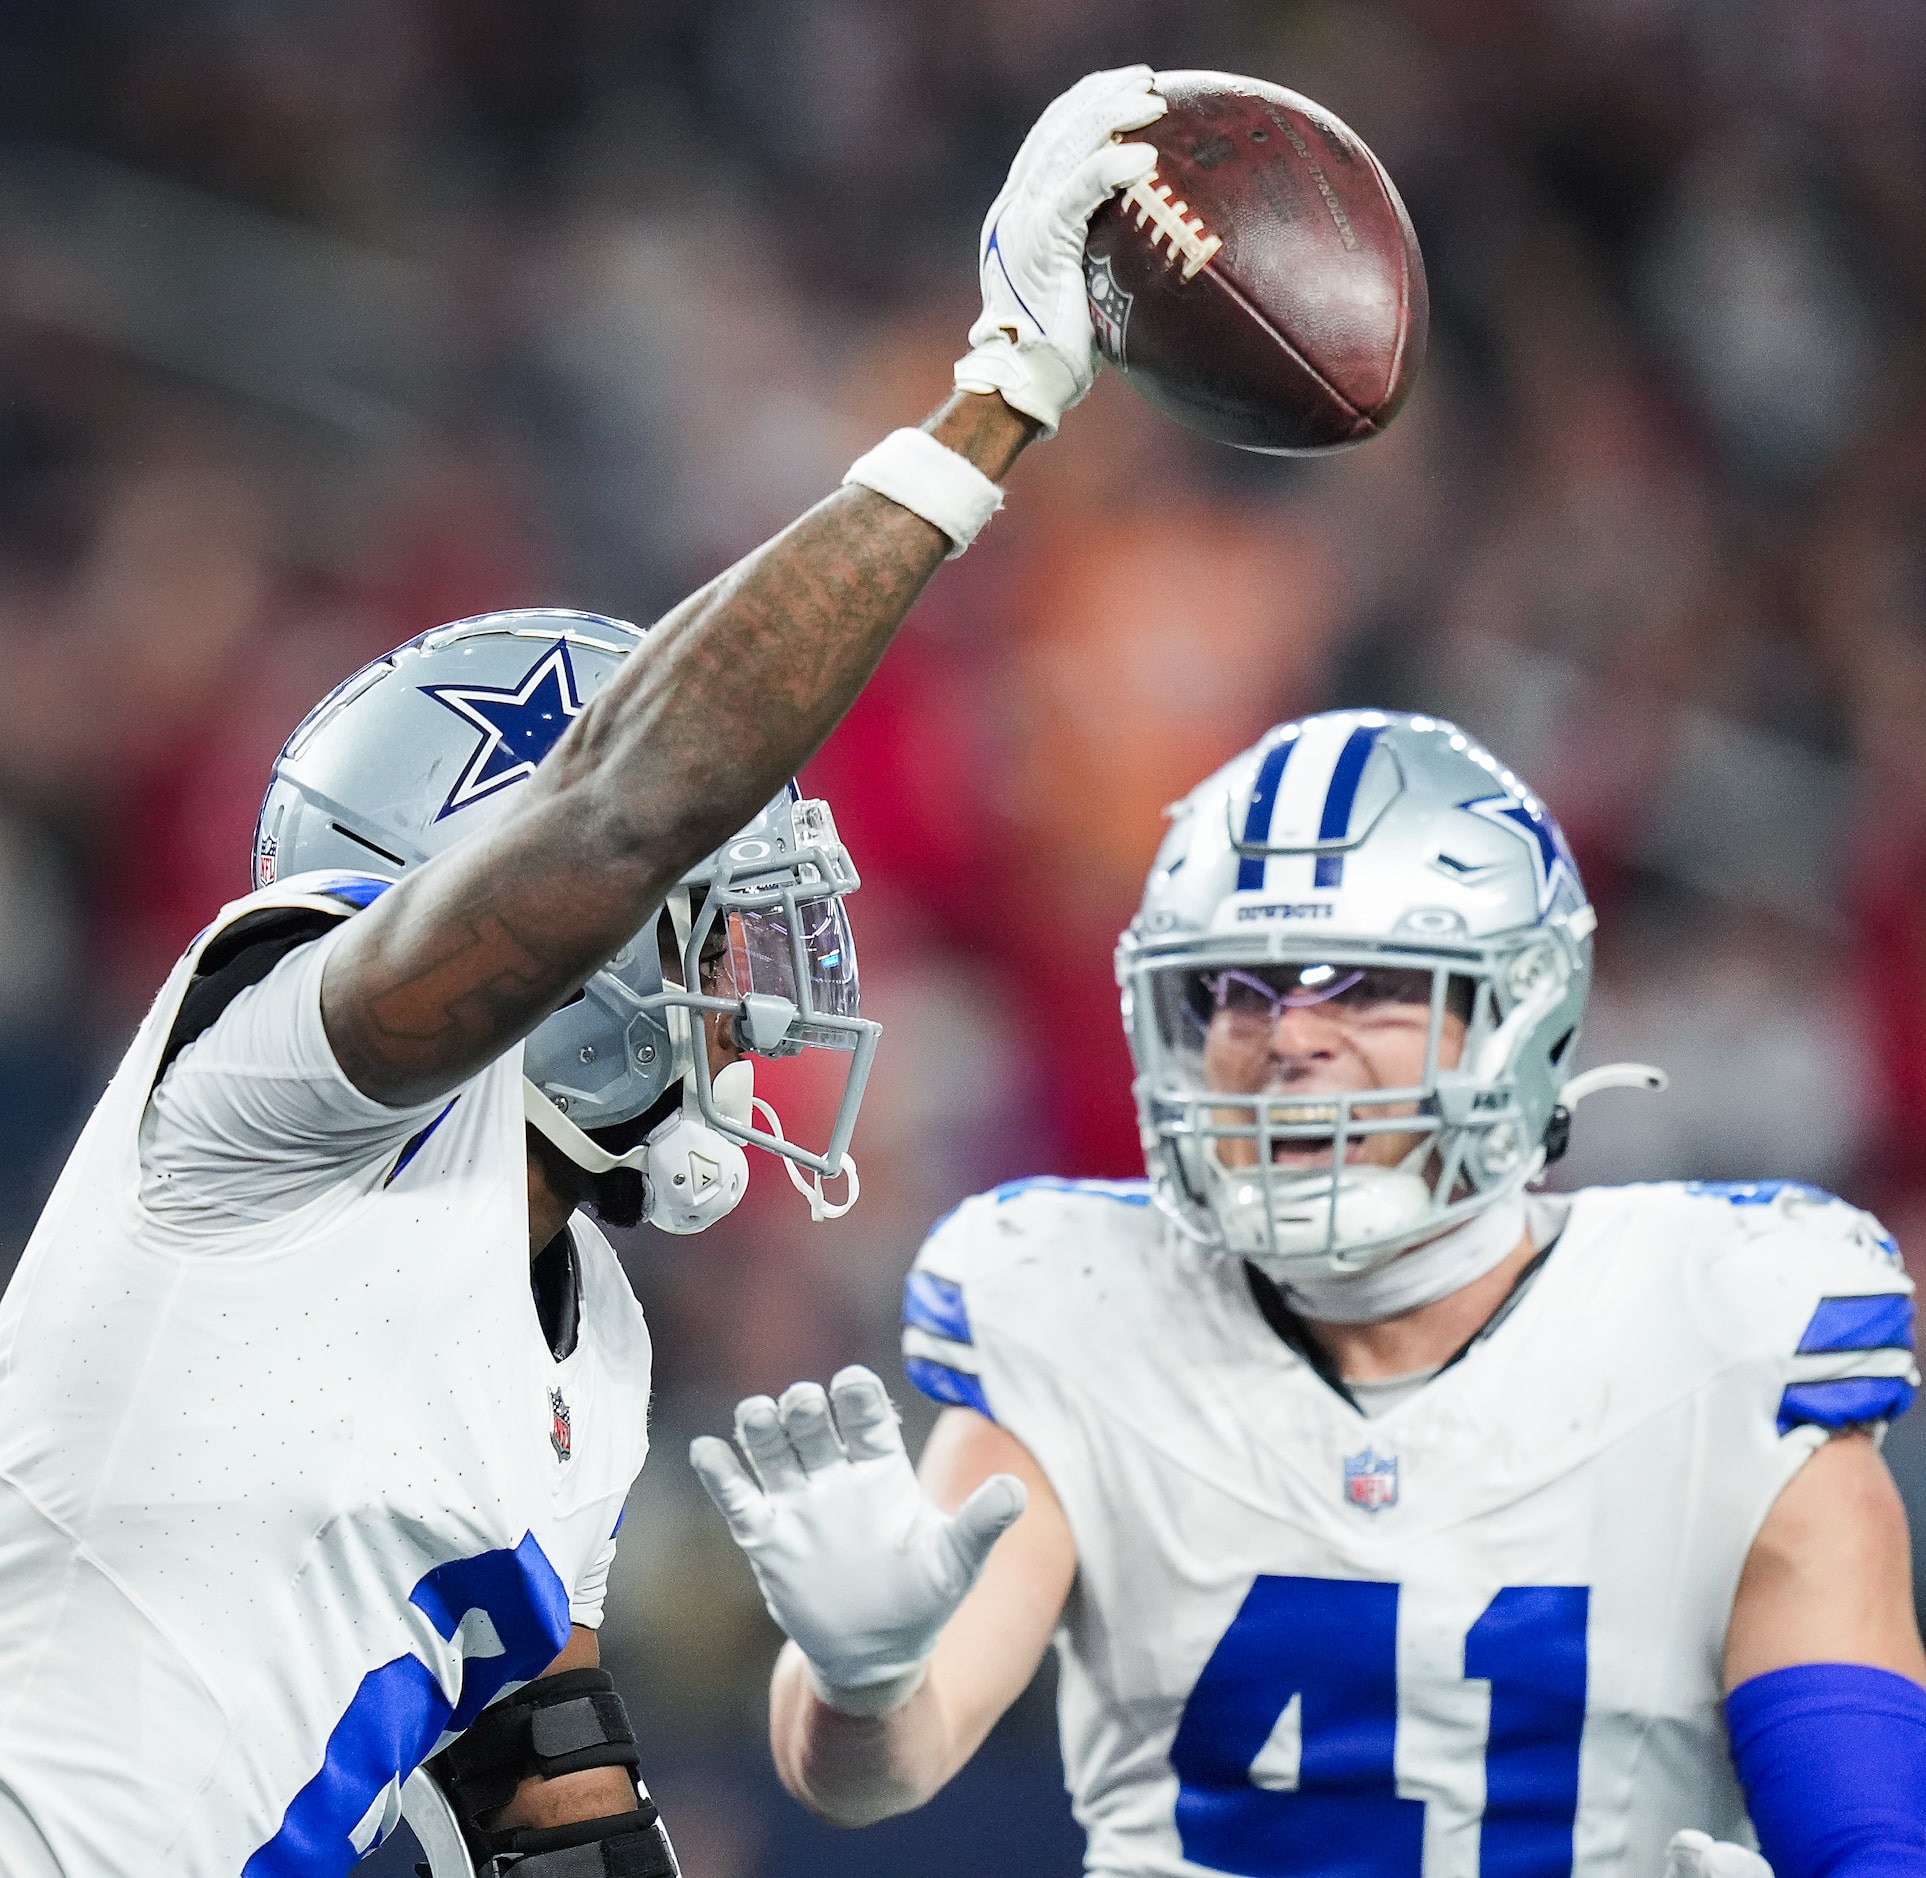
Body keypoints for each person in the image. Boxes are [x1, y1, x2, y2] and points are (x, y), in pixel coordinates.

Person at [0, 66, 1171, 1878]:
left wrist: (863, 1694)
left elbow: (551, 1822)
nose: (746, 998)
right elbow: (626, 807)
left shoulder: (590, 1336)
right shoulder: (274, 1070)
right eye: (707, 924)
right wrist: (994, 403)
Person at [695, 710, 1926, 1878]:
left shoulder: (1724, 1340)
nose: (1289, 1036)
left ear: (1518, 1017)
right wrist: (857, 1685)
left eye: (1368, 984)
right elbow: (875, 1772)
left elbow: (1869, 1840)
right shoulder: (1078, 1302)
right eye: (1242, 988)